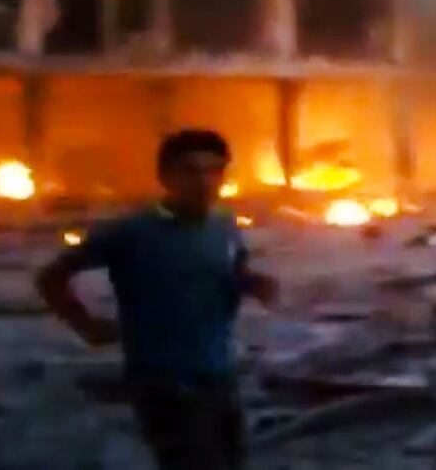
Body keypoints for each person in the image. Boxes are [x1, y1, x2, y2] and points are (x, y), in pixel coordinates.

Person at [36, 129, 277, 470]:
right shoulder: (132, 231)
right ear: (165, 177)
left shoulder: (224, 225)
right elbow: (52, 276)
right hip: (162, 378)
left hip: (219, 372)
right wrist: (83, 323)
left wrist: (253, 283)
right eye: (191, 171)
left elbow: (231, 270)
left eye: (214, 171)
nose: (204, 182)